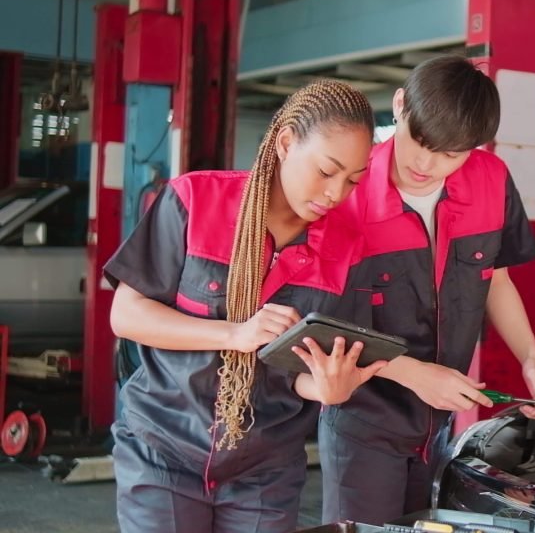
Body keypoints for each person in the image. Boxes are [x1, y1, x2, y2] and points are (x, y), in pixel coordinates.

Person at [105, 80, 386, 533]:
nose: (336, 192)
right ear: (286, 142)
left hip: (265, 470)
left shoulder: (347, 247)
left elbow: (306, 373)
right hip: (163, 450)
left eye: (353, 180)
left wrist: (331, 390)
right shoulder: (195, 201)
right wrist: (233, 334)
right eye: (326, 170)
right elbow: (126, 314)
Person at [319, 54, 535, 525]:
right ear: (400, 105)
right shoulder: (347, 190)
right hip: (363, 422)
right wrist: (410, 371)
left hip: (439, 424)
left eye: (452, 153)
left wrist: (531, 359)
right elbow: (323, 319)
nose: (426, 165)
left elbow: (496, 278)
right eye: (420, 142)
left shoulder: (491, 181)